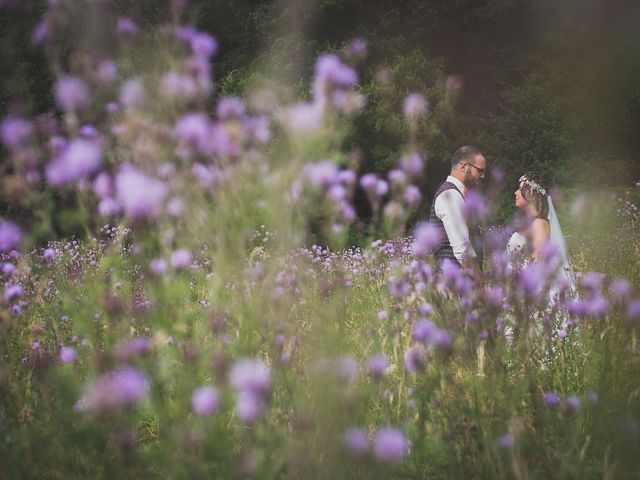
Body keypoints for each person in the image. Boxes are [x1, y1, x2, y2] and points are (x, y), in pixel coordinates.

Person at [507, 172, 575, 300]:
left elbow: (537, 262)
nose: (515, 193)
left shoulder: (539, 224)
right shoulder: (530, 224)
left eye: (520, 189)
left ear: (531, 195)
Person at [430, 145, 486, 280]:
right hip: (455, 284)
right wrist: (480, 284)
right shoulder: (450, 194)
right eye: (480, 171)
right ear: (463, 167)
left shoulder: (456, 194)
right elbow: (463, 249)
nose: (483, 176)